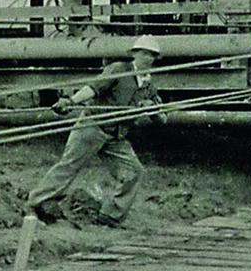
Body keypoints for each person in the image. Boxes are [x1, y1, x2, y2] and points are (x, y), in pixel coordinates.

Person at [27, 35, 165, 227]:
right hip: (92, 127)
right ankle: (37, 203)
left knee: (134, 171)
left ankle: (111, 216)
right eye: (144, 53)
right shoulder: (118, 70)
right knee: (69, 166)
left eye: (152, 55)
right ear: (134, 54)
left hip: (116, 136)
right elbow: (94, 88)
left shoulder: (149, 85)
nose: (147, 58)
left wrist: (152, 108)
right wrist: (72, 101)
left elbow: (162, 118)